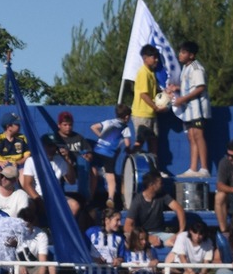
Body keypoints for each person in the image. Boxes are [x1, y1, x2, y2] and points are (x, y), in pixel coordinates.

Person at [166, 38, 211, 175]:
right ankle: (193, 168)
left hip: (197, 109)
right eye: (180, 52)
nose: (180, 55)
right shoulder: (185, 68)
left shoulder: (197, 68)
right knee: (191, 136)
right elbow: (188, 86)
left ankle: (204, 168)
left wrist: (182, 99)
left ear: (191, 55)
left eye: (183, 52)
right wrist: (176, 88)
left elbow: (200, 87)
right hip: (188, 111)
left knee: (198, 135)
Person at [132, 43, 169, 171]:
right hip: (142, 114)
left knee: (153, 141)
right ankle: (133, 166)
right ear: (145, 58)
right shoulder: (143, 73)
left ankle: (154, 169)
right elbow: (143, 94)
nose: (156, 60)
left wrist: (167, 93)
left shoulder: (151, 73)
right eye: (154, 57)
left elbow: (155, 91)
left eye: (157, 57)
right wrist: (156, 107)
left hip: (151, 114)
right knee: (140, 142)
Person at [89, 106, 135, 208]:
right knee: (110, 176)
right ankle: (110, 198)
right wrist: (129, 150)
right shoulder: (125, 128)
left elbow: (93, 127)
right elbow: (127, 144)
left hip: (98, 149)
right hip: (109, 153)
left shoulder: (109, 122)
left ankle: (90, 197)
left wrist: (101, 136)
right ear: (127, 117)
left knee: (93, 172)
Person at [126, 170, 186, 238]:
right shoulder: (138, 200)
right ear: (152, 185)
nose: (162, 185)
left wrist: (181, 231)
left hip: (160, 233)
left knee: (181, 238)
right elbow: (127, 226)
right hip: (143, 235)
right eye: (160, 183)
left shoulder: (162, 195)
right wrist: (148, 237)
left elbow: (179, 209)